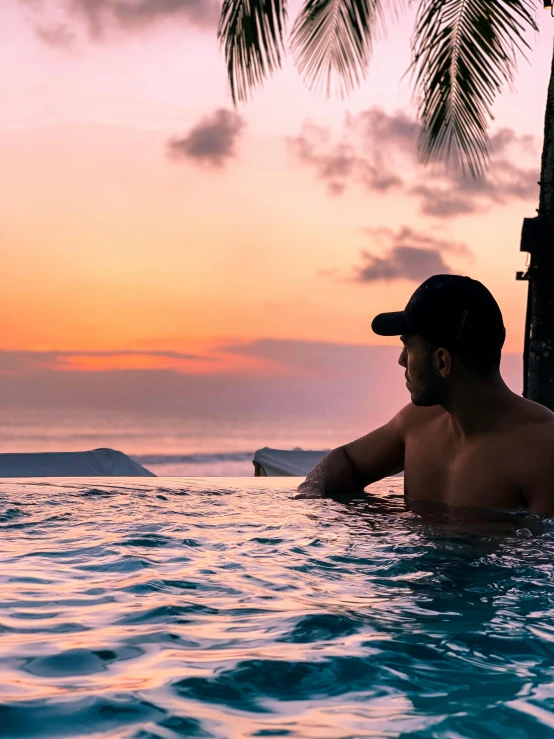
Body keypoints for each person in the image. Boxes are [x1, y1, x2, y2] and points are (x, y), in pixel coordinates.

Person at [296, 274, 554, 516]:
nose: (401, 360)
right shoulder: (416, 423)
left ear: (442, 362)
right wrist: (309, 496)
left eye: (408, 347)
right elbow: (347, 461)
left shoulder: (543, 452)